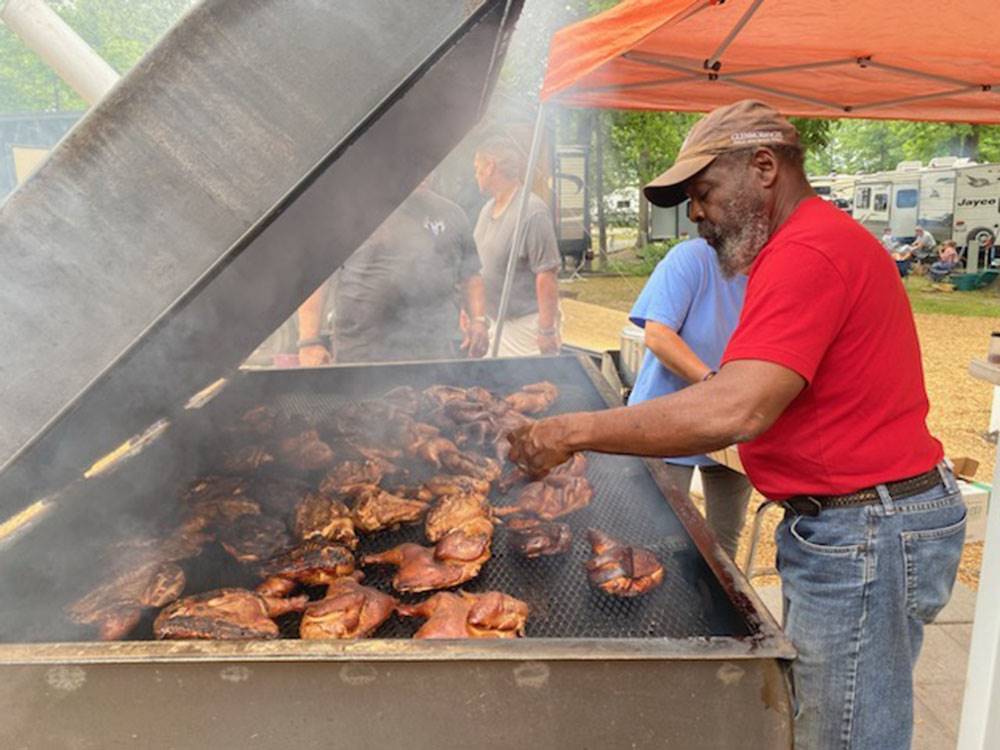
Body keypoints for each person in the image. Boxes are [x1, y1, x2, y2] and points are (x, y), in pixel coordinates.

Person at [507, 100, 964, 750]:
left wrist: (569, 432)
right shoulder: (802, 244)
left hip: (870, 533)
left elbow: (733, 409)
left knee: (846, 738)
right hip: (867, 523)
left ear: (764, 167)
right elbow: (741, 390)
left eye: (704, 192)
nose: (694, 213)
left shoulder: (808, 251)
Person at [628, 237, 752, 559]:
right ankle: (659, 609)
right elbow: (658, 335)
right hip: (666, 420)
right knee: (656, 539)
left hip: (732, 424)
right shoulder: (693, 257)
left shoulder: (775, 274)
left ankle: (715, 607)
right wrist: (714, 385)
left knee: (724, 542)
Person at [296, 185, 489, 365]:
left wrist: (478, 321)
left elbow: (470, 275)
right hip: (361, 350)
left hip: (434, 351)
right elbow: (315, 278)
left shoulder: (452, 214)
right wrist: (308, 341)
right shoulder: (350, 211)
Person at [472, 135, 561, 356]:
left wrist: (547, 330)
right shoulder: (486, 210)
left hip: (525, 328)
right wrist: (478, 317)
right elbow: (478, 269)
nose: (475, 174)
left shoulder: (532, 211)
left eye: (477, 167)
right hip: (494, 323)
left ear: (490, 167)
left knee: (524, 388)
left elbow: (546, 274)